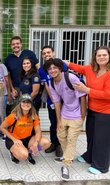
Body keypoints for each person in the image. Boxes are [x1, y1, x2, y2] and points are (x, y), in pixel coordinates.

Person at [63, 46, 110, 175]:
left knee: (102, 140)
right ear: (95, 57)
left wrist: (86, 90)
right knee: (91, 136)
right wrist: (64, 63)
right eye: (99, 55)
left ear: (109, 56)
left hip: (106, 113)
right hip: (93, 109)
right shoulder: (90, 69)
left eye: (104, 55)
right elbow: (78, 68)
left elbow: (108, 94)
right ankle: (89, 156)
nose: (101, 57)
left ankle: (101, 166)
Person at [44, 58, 86, 180]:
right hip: (64, 113)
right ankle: (68, 155)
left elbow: (83, 97)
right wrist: (58, 121)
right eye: (49, 69)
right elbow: (57, 102)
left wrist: (83, 116)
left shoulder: (71, 78)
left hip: (77, 114)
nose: (52, 70)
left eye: (54, 67)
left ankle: (66, 165)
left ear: (60, 68)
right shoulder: (51, 83)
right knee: (61, 135)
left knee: (71, 139)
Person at [0, 94, 51, 165]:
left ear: (31, 104)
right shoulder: (14, 116)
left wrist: (35, 144)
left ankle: (30, 151)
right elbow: (2, 127)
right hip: (14, 139)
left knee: (46, 143)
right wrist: (14, 140)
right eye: (24, 102)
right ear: (20, 103)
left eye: (28, 102)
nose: (26, 104)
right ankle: (13, 153)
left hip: (27, 139)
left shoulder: (34, 116)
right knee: (24, 156)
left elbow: (38, 130)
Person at [38, 45, 65, 157]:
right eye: (44, 53)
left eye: (48, 52)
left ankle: (61, 145)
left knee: (63, 123)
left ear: (53, 53)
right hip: (52, 101)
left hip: (65, 101)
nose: (46, 55)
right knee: (53, 123)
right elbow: (47, 86)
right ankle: (54, 143)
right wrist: (54, 101)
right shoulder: (42, 69)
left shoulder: (61, 65)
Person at [4, 36, 39, 105]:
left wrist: (40, 81)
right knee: (17, 111)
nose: (15, 46)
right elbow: (8, 75)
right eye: (13, 44)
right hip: (17, 89)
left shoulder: (29, 53)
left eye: (17, 43)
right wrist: (12, 89)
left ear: (21, 44)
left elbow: (38, 67)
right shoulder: (9, 59)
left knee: (30, 109)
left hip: (30, 87)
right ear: (11, 46)